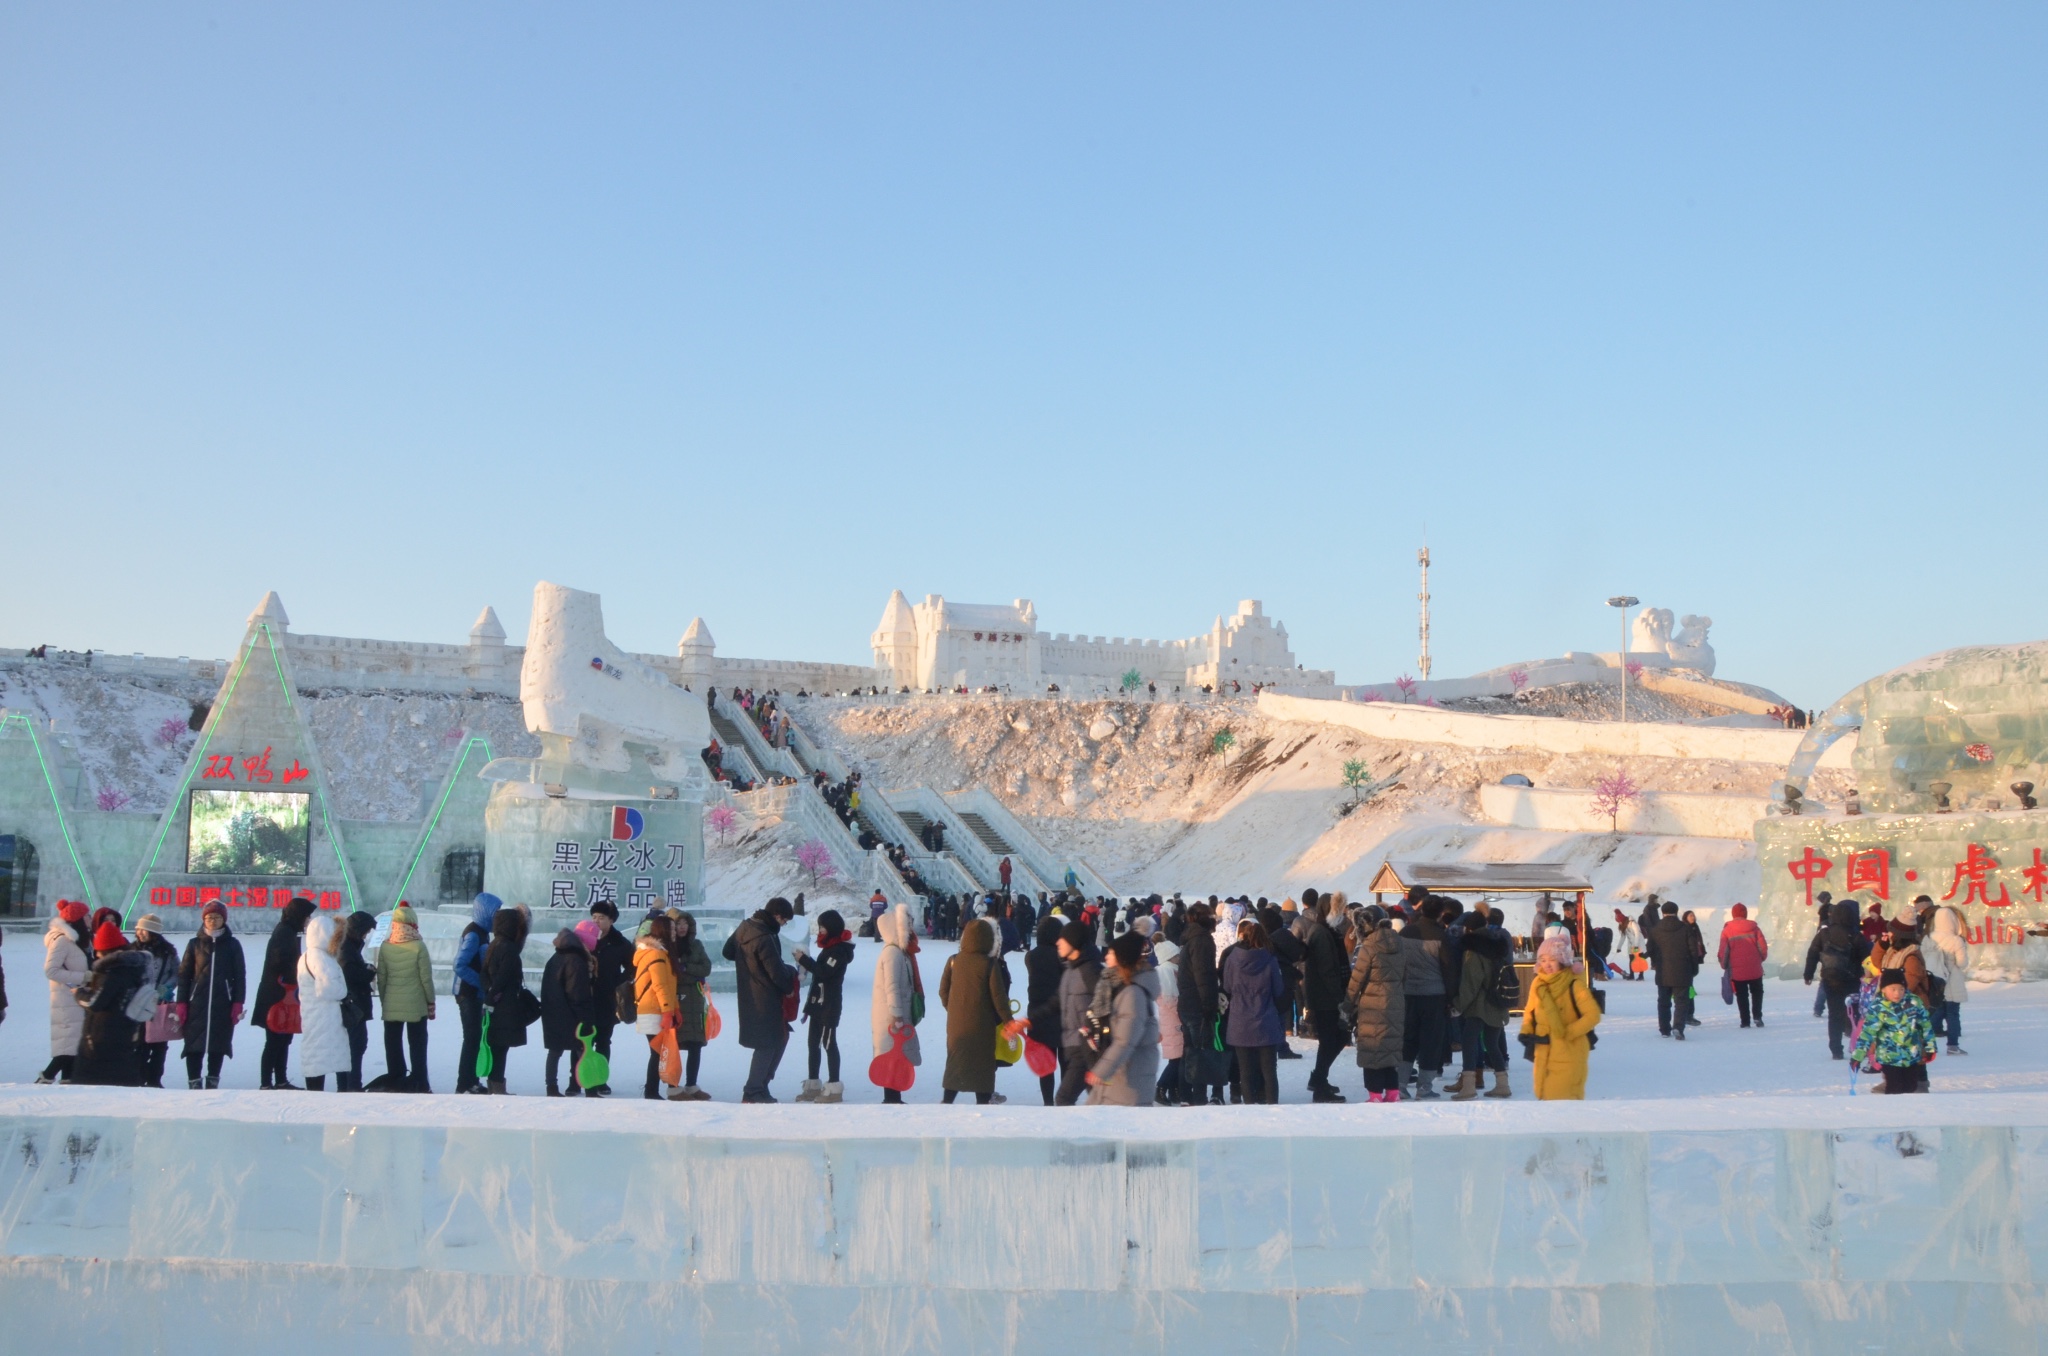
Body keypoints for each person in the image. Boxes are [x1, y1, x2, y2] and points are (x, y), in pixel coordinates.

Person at [723, 897, 801, 1103]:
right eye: (784, 921)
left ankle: (759, 1088)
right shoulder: (764, 937)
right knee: (769, 1043)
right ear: (776, 916)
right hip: (766, 996)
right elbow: (775, 972)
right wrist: (790, 980)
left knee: (772, 1040)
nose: (783, 925)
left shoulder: (745, 927)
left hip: (749, 993)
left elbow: (727, 952)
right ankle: (755, 1089)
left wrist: (748, 962)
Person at [1520, 935, 1602, 1100]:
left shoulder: (1574, 983)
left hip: (1569, 1051)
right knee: (1544, 1096)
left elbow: (1593, 1015)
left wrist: (1568, 1033)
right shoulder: (1539, 983)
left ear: (1562, 960)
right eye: (1542, 960)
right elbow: (1530, 1010)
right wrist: (1526, 1031)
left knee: (1563, 1100)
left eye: (1552, 959)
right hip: (1543, 1050)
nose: (1547, 965)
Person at [940, 917, 1012, 1105]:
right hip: (982, 1024)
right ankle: (983, 1103)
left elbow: (943, 991)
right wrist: (1009, 1022)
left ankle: (947, 1101)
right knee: (983, 1066)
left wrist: (953, 1009)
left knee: (956, 1062)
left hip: (956, 1024)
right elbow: (999, 998)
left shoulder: (953, 961)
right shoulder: (989, 964)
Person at [1085, 931, 1161, 1106]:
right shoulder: (1120, 986)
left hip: (1130, 1081)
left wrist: (1101, 1071)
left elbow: (1125, 1040)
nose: (1106, 956)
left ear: (1122, 958)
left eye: (1111, 953)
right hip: (1120, 1077)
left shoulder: (1132, 993)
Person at [73, 924, 153, 1086]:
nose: (96, 955)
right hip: (127, 1032)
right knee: (122, 1081)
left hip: (103, 1037)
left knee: (91, 1085)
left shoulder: (111, 973)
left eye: (98, 950)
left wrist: (79, 993)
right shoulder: (136, 969)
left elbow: (95, 1003)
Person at [252, 896, 319, 1089]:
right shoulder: (284, 933)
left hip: (282, 995)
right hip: (276, 996)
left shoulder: (289, 931)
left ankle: (280, 1080)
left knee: (283, 1038)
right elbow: (278, 962)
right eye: (306, 916)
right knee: (274, 1040)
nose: (308, 921)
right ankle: (267, 1082)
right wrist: (298, 973)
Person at [179, 900, 245, 1088]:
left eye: (216, 917)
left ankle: (213, 1081)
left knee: (218, 1043)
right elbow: (184, 976)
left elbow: (240, 976)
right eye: (208, 917)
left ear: (223, 919)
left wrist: (237, 1002)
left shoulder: (233, 945)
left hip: (222, 1002)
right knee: (194, 1044)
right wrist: (182, 1003)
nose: (212, 921)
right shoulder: (194, 944)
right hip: (196, 1003)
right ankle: (194, 1081)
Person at [1221, 919, 1287, 1104]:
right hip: (1266, 1020)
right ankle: (1272, 1105)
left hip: (1240, 1020)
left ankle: (1249, 1107)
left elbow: (1226, 986)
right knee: (1269, 1071)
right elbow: (1279, 989)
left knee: (1245, 1071)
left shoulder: (1232, 958)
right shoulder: (1270, 959)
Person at [1345, 905, 1407, 1101]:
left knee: (1372, 1050)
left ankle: (1374, 1094)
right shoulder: (1399, 942)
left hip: (1372, 1006)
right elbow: (1404, 975)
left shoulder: (1369, 947)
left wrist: (1347, 1005)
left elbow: (1357, 979)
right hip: (1396, 1002)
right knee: (1390, 1048)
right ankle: (1393, 1092)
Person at [1451, 907, 1513, 1099]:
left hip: (1479, 1005)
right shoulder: (1499, 943)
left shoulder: (1473, 950)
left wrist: (1458, 1004)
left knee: (1470, 1041)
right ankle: (1502, 1084)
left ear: (1468, 929)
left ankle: (1469, 1087)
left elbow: (1471, 982)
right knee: (1492, 1044)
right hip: (1498, 1001)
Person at [1294, 890, 1349, 1103]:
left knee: (1334, 1039)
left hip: (1325, 996)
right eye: (1339, 909)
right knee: (1332, 1039)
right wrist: (1340, 998)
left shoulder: (1326, 931)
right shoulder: (1323, 933)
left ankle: (1319, 1079)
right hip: (1326, 998)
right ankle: (1319, 1083)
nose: (1342, 913)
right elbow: (1327, 970)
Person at [796, 909, 856, 1103]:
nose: (820, 931)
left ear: (831, 928)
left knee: (828, 1043)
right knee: (813, 1043)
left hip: (829, 1004)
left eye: (823, 927)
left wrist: (804, 960)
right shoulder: (828, 947)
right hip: (817, 1004)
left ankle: (834, 1086)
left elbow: (824, 972)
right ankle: (813, 1083)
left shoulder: (839, 950)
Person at [375, 903, 434, 1091]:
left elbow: (381, 979)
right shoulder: (419, 946)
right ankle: (419, 1080)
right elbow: (426, 979)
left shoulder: (385, 946)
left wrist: (385, 1001)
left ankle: (396, 1077)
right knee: (417, 1044)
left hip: (392, 1003)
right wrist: (430, 1001)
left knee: (392, 1043)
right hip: (416, 1005)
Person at [1804, 899, 1873, 1059]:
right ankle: (1855, 1042)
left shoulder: (1824, 934)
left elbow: (1812, 954)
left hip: (1830, 978)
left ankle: (1836, 1049)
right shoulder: (1856, 936)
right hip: (1852, 979)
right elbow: (1866, 959)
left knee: (1834, 1013)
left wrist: (1808, 974)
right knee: (1853, 1011)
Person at [1850, 967, 1936, 1094]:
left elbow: (1925, 1026)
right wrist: (1858, 1056)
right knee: (1894, 1088)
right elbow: (1868, 1033)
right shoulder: (1878, 1007)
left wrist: (1930, 1048)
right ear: (1884, 989)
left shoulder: (1913, 1002)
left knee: (1911, 1087)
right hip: (1889, 1057)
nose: (1897, 993)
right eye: (1893, 989)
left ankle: (1907, 1112)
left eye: (1901, 989)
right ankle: (1893, 1110)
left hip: (1911, 1055)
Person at [1399, 897, 1451, 1099]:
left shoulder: (1405, 933)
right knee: (1431, 1040)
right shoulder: (1441, 935)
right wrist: (1451, 997)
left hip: (1408, 992)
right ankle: (1424, 1088)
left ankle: (1400, 1085)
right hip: (1434, 994)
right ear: (1440, 913)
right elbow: (1448, 969)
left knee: (1407, 1039)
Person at [871, 904, 923, 1104]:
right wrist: (897, 1015)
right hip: (891, 1017)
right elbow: (891, 986)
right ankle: (891, 1097)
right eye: (907, 926)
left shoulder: (900, 952)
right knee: (892, 1054)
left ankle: (894, 1095)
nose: (910, 929)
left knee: (897, 1055)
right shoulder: (893, 954)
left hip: (896, 1013)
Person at [451, 892, 502, 1095]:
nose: (497, 916)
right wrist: (481, 984)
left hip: (474, 994)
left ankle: (471, 1080)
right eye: (495, 911)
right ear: (485, 911)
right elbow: (459, 964)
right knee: (472, 1038)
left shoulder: (482, 932)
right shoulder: (474, 934)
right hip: (468, 994)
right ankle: (465, 1083)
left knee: (475, 1038)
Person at [479, 906, 532, 1094]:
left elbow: (484, 974)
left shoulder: (494, 944)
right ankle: (497, 1086)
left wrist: (489, 992)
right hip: (506, 1005)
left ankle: (494, 1085)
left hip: (496, 1003)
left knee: (497, 1046)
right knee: (501, 1048)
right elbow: (504, 976)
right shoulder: (509, 948)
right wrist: (495, 994)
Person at [1176, 902, 1224, 1105]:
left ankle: (1185, 1094)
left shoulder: (1190, 938)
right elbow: (1203, 976)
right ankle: (1198, 1096)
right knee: (1201, 1051)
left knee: (1189, 1051)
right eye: (1211, 916)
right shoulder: (1202, 941)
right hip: (1197, 1004)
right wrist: (1208, 1006)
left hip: (1186, 1002)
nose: (1214, 919)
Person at [38, 901, 91, 1084]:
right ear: (78, 920)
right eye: (87, 915)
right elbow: (50, 971)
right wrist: (84, 976)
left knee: (71, 1048)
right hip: (66, 1000)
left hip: (75, 1000)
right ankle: (45, 1080)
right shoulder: (62, 940)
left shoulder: (78, 940)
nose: (90, 918)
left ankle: (67, 1084)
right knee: (68, 1048)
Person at [297, 914, 350, 1092]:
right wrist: (344, 991)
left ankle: (315, 1089)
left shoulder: (306, 956)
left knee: (315, 1053)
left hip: (313, 1013)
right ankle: (335, 1092)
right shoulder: (321, 958)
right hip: (326, 1016)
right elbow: (328, 988)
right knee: (329, 1054)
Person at [1053, 920, 1104, 1106]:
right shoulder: (1070, 970)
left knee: (1064, 1098)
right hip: (1074, 1045)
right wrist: (1031, 1019)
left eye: (1062, 939)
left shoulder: (1089, 970)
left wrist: (1092, 1033)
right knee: (1098, 1100)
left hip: (1086, 1047)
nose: (1058, 942)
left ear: (1073, 942)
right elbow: (1057, 1002)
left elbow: (1106, 1004)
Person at [585, 900, 633, 1097]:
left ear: (611, 920)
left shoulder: (620, 943)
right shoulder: (584, 938)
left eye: (601, 918)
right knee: (583, 1041)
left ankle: (601, 1080)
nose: (596, 921)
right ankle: (577, 1079)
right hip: (585, 998)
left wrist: (617, 983)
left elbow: (633, 967)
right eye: (594, 916)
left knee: (603, 1041)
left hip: (608, 1000)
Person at [540, 928, 596, 1096]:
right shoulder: (576, 961)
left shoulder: (554, 959)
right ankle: (590, 1088)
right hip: (571, 1014)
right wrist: (585, 1017)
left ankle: (551, 1087)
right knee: (583, 1050)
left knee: (555, 1051)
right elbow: (577, 993)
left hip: (552, 1012)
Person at [668, 911, 715, 1100]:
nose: (682, 927)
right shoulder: (668, 947)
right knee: (674, 1045)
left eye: (685, 923)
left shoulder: (696, 945)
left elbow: (706, 968)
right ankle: (673, 1086)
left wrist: (686, 968)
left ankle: (691, 1085)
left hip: (695, 1001)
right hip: (676, 999)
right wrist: (693, 975)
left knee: (696, 1044)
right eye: (678, 923)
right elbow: (672, 973)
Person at [130, 915, 180, 1088]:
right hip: (137, 1004)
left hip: (160, 1004)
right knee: (139, 1043)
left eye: (144, 930)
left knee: (159, 1043)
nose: (140, 933)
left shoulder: (168, 951)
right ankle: (138, 1077)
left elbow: (176, 974)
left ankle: (155, 1079)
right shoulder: (131, 950)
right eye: (138, 929)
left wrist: (163, 991)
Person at [634, 916, 680, 1100]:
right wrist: (668, 1011)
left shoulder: (660, 954)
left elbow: (669, 986)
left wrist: (674, 1008)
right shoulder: (656, 955)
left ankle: (657, 1089)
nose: (675, 933)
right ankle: (651, 1091)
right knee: (658, 1052)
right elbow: (660, 986)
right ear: (664, 931)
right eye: (672, 929)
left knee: (659, 1051)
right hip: (654, 1010)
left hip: (655, 1009)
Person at [1024, 916, 1066, 1105]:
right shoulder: (1061, 956)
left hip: (1038, 1013)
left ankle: (1048, 1102)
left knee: (1046, 1064)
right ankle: (1066, 1100)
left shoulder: (1031, 956)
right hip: (1062, 1014)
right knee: (1066, 1062)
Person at [1646, 901, 1702, 1040]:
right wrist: (1694, 968)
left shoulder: (1655, 929)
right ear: (1676, 912)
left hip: (1663, 971)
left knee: (1663, 1002)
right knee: (1681, 1001)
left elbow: (1650, 950)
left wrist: (1655, 963)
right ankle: (1678, 1027)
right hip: (1682, 970)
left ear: (1662, 913)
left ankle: (1665, 1029)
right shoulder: (1686, 928)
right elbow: (1693, 950)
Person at [1923, 904, 1970, 1055]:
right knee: (1953, 1013)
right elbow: (1962, 963)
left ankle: (1928, 1045)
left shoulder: (1928, 938)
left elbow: (1922, 958)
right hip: (1952, 979)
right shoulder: (1956, 940)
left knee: (1935, 1010)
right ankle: (1953, 1046)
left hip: (1934, 979)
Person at [338, 911, 377, 1091]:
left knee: (354, 1046)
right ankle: (351, 1085)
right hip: (353, 1006)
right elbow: (351, 975)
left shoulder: (350, 946)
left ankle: (349, 1085)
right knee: (355, 1046)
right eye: (366, 931)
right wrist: (368, 972)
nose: (367, 934)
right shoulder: (347, 949)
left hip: (354, 1005)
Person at [1716, 903, 1769, 1029]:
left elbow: (1724, 951)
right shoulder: (1754, 928)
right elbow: (1763, 947)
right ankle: (1757, 1016)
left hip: (1737, 970)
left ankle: (1745, 1021)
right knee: (1757, 992)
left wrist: (1724, 964)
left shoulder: (1727, 930)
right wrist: (1760, 959)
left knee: (1741, 995)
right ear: (1745, 913)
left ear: (1733, 914)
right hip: (1755, 968)